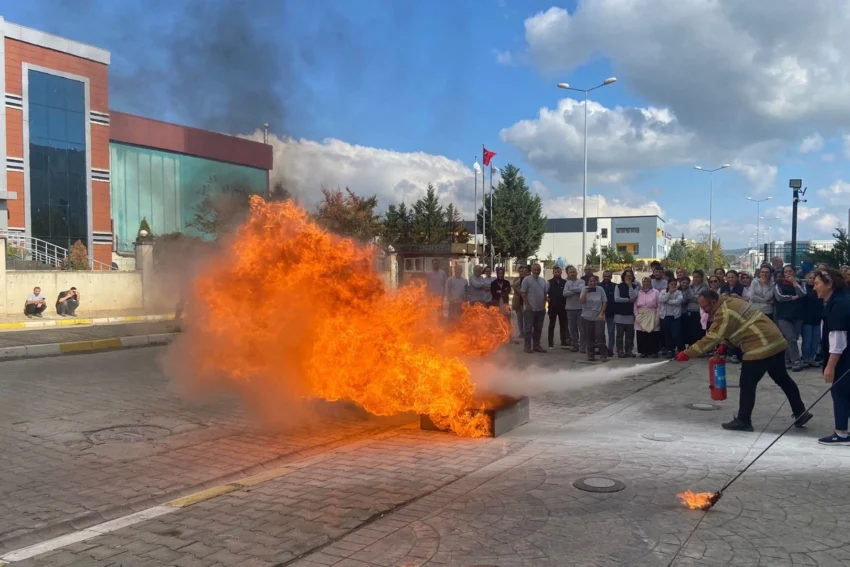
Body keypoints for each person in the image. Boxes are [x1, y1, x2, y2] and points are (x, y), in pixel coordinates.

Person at [677, 290, 813, 432]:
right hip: (775, 341)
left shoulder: (724, 312)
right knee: (783, 378)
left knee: (747, 383)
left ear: (713, 301)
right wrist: (725, 345)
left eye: (705, 307)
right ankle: (800, 412)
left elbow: (712, 338)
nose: (704, 311)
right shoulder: (731, 301)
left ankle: (744, 420)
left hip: (760, 346)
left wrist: (687, 353)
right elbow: (737, 326)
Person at [812, 268, 850, 445]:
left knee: (840, 393)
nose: (815, 287)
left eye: (818, 283)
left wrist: (830, 366)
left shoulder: (839, 305)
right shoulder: (839, 299)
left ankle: (841, 433)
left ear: (830, 284)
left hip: (844, 359)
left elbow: (838, 338)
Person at [774, 265, 806, 372]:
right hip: (783, 316)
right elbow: (779, 297)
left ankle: (787, 359)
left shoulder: (801, 283)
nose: (788, 274)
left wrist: (794, 283)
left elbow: (802, 294)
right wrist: (793, 297)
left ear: (794, 272)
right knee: (791, 338)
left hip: (797, 316)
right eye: (786, 272)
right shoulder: (779, 285)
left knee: (793, 339)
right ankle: (796, 361)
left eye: (790, 271)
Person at [520, 263, 549, 353]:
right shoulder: (526, 280)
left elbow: (545, 294)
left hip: (540, 309)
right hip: (530, 310)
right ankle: (527, 346)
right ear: (531, 270)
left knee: (538, 328)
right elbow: (523, 293)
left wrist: (544, 306)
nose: (536, 271)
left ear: (540, 270)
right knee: (528, 329)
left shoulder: (543, 281)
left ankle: (536, 346)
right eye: (535, 269)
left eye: (538, 270)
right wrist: (527, 305)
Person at [579, 274, 608, 362]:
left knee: (600, 335)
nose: (592, 283)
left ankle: (603, 354)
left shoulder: (600, 289)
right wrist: (585, 293)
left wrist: (601, 314)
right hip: (586, 316)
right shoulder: (584, 289)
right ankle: (590, 354)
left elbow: (605, 302)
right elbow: (581, 302)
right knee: (589, 336)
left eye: (594, 281)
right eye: (590, 281)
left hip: (598, 316)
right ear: (587, 282)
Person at [614, 269, 639, 357]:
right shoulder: (618, 286)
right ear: (623, 276)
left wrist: (630, 287)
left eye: (630, 276)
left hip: (630, 314)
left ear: (632, 277)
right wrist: (628, 300)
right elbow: (616, 299)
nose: (628, 277)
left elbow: (633, 297)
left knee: (630, 335)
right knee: (619, 335)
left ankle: (629, 350)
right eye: (627, 275)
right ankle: (620, 351)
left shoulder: (636, 287)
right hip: (619, 314)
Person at [635, 276, 661, 358]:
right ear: (642, 283)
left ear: (651, 282)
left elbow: (659, 305)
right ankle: (643, 351)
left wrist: (657, 315)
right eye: (644, 281)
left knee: (653, 333)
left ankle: (654, 351)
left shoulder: (656, 292)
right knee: (641, 334)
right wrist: (636, 315)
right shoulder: (638, 293)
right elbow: (635, 306)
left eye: (648, 281)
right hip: (641, 314)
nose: (646, 283)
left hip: (652, 314)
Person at [801, 271, 823, 368]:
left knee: (815, 340)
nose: (812, 280)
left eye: (814, 278)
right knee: (807, 340)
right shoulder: (804, 289)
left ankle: (811, 358)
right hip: (807, 318)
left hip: (817, 318)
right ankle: (805, 358)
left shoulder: (820, 289)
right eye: (810, 278)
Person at [563, 266, 585, 353]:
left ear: (577, 272)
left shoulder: (581, 281)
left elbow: (581, 289)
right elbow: (564, 294)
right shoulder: (567, 283)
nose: (572, 273)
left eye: (574, 272)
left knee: (582, 329)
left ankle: (582, 346)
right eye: (571, 272)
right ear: (568, 273)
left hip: (580, 309)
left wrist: (571, 290)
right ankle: (575, 345)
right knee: (572, 329)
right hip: (570, 309)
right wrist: (575, 291)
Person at [659, 278, 684, 357]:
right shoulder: (663, 292)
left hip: (675, 317)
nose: (673, 286)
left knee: (676, 334)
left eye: (674, 284)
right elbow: (661, 300)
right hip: (665, 316)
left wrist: (668, 301)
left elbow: (678, 302)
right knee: (667, 334)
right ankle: (670, 350)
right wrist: (669, 293)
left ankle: (681, 349)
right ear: (668, 285)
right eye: (671, 284)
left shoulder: (679, 292)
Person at [546, 266, 568, 349]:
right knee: (552, 325)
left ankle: (563, 342)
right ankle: (550, 343)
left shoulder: (565, 282)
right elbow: (544, 293)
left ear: (561, 272)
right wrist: (548, 300)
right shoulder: (549, 282)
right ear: (553, 273)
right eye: (556, 272)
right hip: (552, 307)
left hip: (563, 307)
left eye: (559, 272)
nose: (557, 273)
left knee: (563, 325)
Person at [684, 270, 708, 346]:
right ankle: (691, 346)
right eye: (694, 277)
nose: (695, 279)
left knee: (698, 329)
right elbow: (687, 297)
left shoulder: (705, 287)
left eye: (697, 277)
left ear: (701, 278)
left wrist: (695, 298)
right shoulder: (690, 287)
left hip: (700, 311)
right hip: (690, 310)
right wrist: (696, 297)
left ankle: (699, 346)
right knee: (690, 329)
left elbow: (703, 298)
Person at [599, 270, 617, 357]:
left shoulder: (615, 286)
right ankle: (602, 348)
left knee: (611, 332)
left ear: (611, 277)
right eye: (605, 276)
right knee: (600, 332)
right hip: (600, 312)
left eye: (608, 276)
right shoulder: (598, 286)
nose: (606, 278)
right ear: (602, 276)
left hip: (611, 312)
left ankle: (610, 349)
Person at [511, 266, 528, 344]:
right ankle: (522, 332)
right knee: (519, 318)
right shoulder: (516, 280)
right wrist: (521, 292)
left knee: (527, 319)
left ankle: (528, 332)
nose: (522, 273)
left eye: (523, 271)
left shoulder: (527, 279)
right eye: (520, 271)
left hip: (526, 301)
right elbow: (514, 286)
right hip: (518, 301)